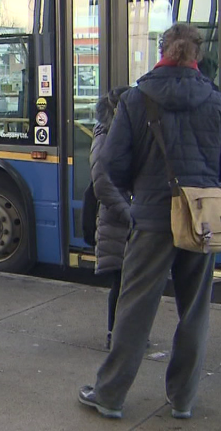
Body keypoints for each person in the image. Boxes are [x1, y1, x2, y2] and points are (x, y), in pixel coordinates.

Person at [79, 23, 221, 419]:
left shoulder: (137, 100)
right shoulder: (218, 101)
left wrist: (142, 189)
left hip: (153, 217)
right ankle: (183, 399)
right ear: (198, 56)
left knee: (134, 308)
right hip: (201, 219)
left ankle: (110, 395)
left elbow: (112, 166)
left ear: (162, 50)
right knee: (195, 310)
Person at [89, 86, 131, 350]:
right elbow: (101, 184)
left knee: (128, 279)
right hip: (118, 220)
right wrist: (129, 214)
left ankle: (124, 333)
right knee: (121, 279)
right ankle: (115, 334)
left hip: (124, 219)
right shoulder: (105, 137)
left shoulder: (123, 135)